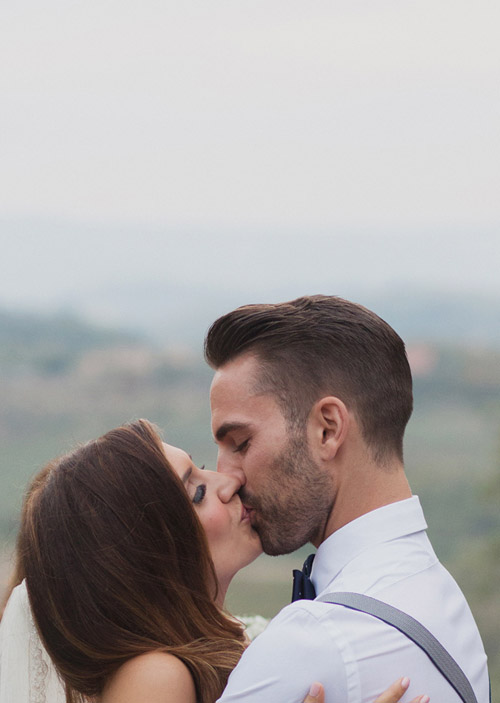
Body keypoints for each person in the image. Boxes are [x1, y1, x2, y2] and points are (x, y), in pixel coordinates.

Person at [0, 419, 426, 703]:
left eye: (203, 471)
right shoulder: (155, 675)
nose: (230, 481)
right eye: (197, 492)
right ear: (150, 549)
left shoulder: (223, 641)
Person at [204, 294, 490, 703]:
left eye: (241, 442)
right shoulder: (441, 596)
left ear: (327, 429)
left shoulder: (313, 643)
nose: (226, 478)